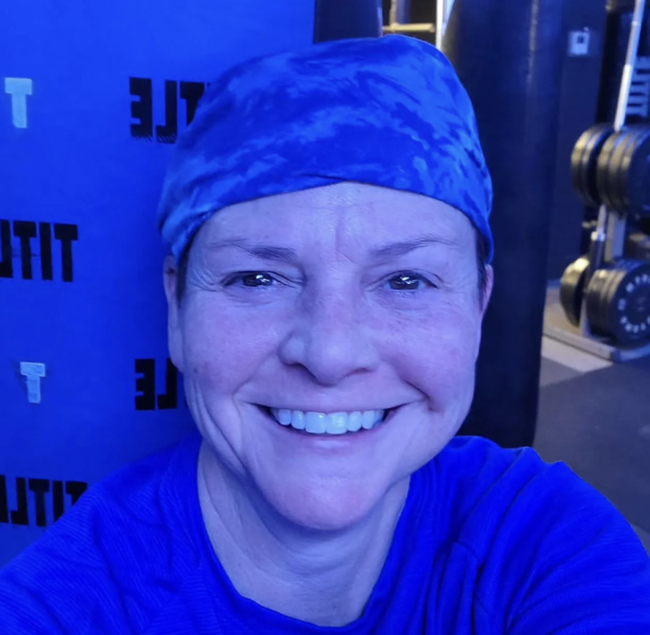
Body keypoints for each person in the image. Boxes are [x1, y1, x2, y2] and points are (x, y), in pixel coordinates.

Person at [0, 35, 649, 634]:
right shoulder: (66, 605)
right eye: (257, 278)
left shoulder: (541, 541)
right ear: (177, 304)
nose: (331, 354)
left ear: (478, 306)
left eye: (405, 281)